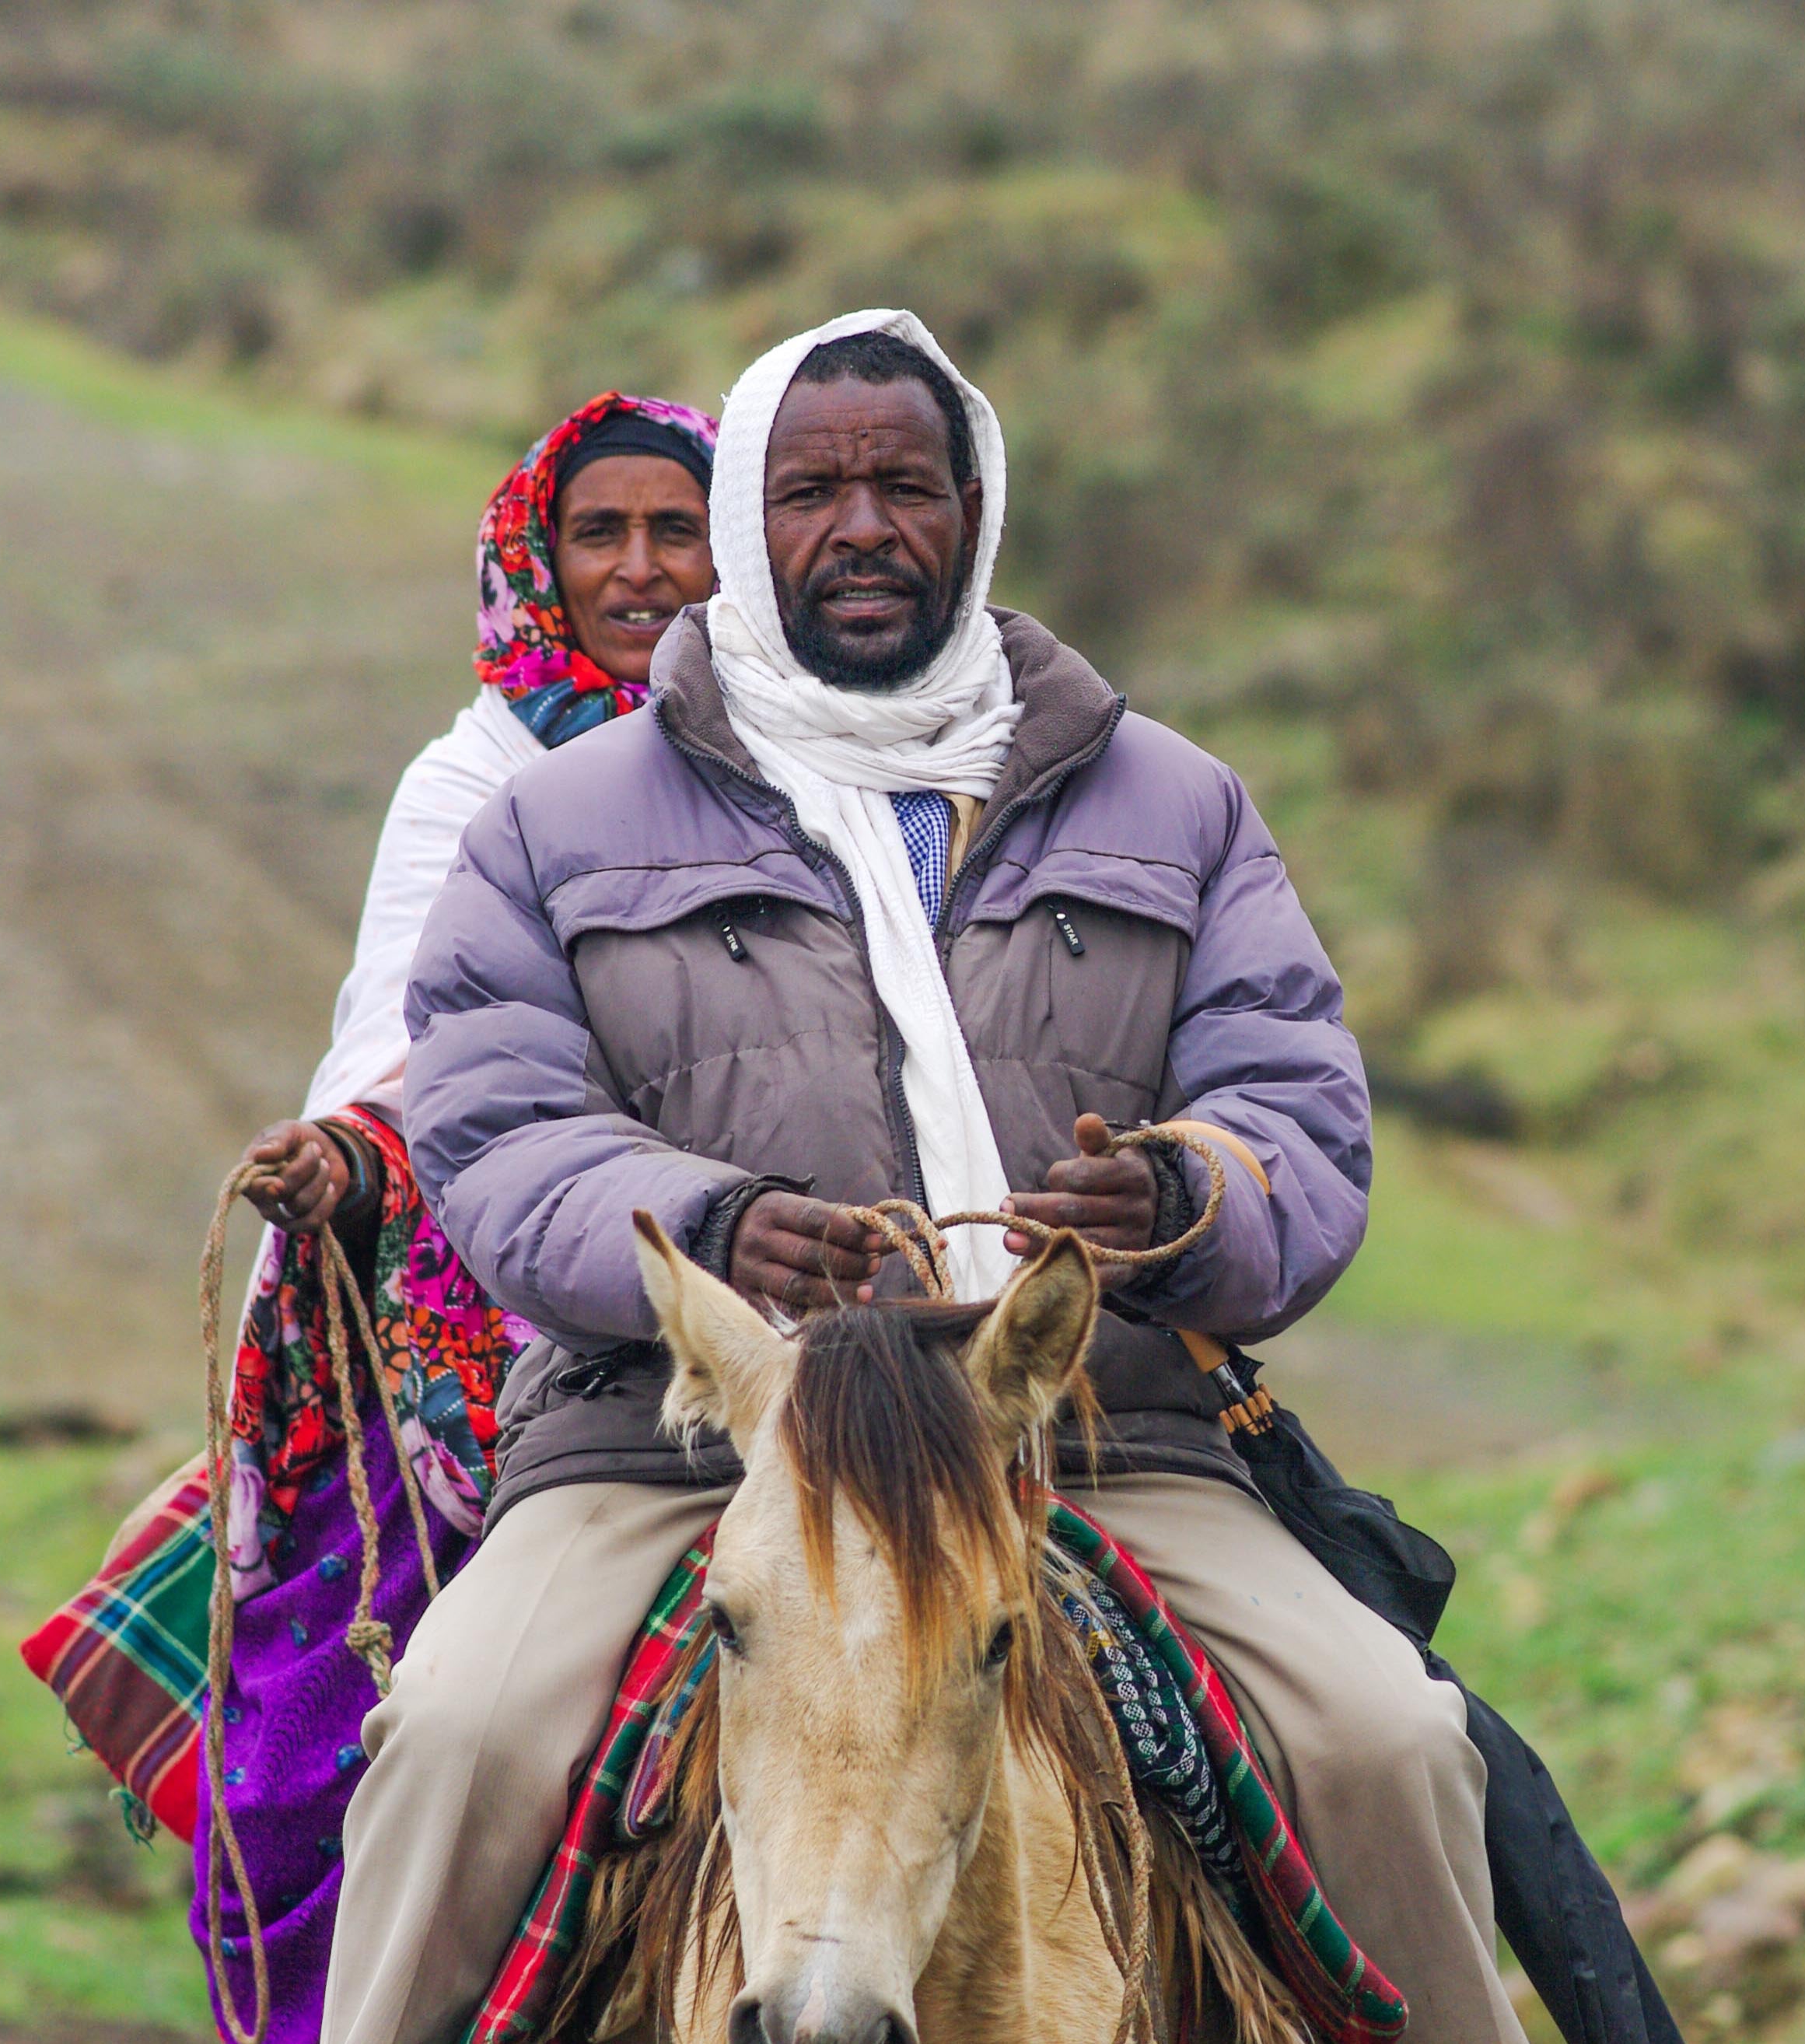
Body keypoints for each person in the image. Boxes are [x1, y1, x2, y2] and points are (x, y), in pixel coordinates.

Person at [323, 312, 1524, 2044]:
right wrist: (716, 1229)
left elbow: (1294, 1111)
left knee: (1390, 1743)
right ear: (748, 522)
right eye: (811, 489)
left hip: (1100, 1442)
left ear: (976, 510)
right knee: (456, 1743)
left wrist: (1183, 1202)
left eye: (905, 484)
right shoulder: (560, 818)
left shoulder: (1171, 802)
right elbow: (492, 1127)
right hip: (675, 1449)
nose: (862, 526)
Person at [21, 392, 717, 2044]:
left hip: (757, 1302)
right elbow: (414, 1045)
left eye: (674, 531)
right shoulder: (471, 777)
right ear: (532, 564)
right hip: (477, 1318)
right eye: (596, 535)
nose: (636, 570)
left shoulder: (798, 768)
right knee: (323, 1771)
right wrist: (350, 1161)